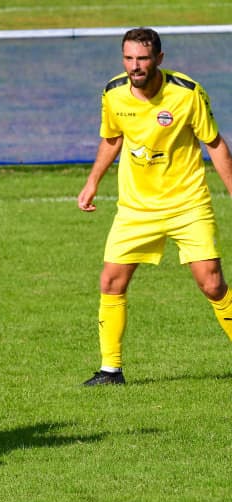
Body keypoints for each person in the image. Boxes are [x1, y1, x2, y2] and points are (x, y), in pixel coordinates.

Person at [77, 27, 232, 386]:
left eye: (143, 58)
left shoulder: (187, 93)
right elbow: (111, 138)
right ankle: (110, 371)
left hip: (187, 203)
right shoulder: (113, 93)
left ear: (159, 59)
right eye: (129, 58)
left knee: (212, 284)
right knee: (111, 281)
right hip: (136, 208)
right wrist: (92, 182)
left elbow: (214, 143)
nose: (135, 66)